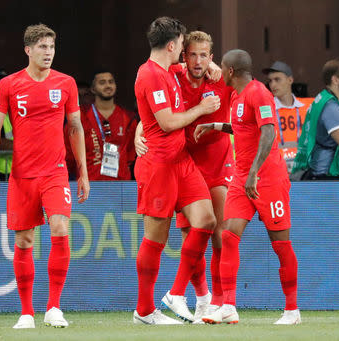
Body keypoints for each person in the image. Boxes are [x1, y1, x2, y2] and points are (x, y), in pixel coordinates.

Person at [0, 24, 89, 329]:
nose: (48, 53)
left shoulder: (66, 83)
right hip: (22, 175)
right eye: (42, 47)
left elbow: (75, 128)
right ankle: (26, 313)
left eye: (52, 47)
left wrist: (82, 172)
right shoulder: (9, 85)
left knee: (59, 227)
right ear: (28, 50)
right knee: (25, 239)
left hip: (55, 172)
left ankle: (54, 306)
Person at [194, 49, 301, 325]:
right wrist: (215, 125)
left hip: (268, 179)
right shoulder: (236, 95)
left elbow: (268, 131)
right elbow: (243, 127)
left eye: (222, 69)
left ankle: (292, 310)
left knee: (280, 244)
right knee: (228, 235)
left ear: (230, 71)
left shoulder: (259, 93)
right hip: (242, 178)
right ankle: (228, 305)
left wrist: (254, 171)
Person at [135, 31, 233, 322]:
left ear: (211, 57)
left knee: (210, 225)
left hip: (201, 161)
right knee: (167, 236)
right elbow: (160, 116)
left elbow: (243, 116)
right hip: (167, 161)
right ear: (177, 49)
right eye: (190, 52)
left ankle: (203, 297)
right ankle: (149, 308)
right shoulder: (164, 73)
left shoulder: (215, 78)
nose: (196, 60)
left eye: (204, 55)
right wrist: (141, 131)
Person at [64, 69, 137, 180]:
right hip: (88, 183)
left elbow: (132, 153)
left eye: (111, 82)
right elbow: (69, 151)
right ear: (93, 89)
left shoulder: (128, 117)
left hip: (120, 183)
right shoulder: (79, 117)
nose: (108, 85)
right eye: (102, 82)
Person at [262, 61, 314, 174]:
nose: (273, 85)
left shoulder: (309, 106)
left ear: (290, 80)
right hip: (277, 170)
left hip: (305, 169)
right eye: (270, 81)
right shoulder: (266, 110)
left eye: (277, 79)